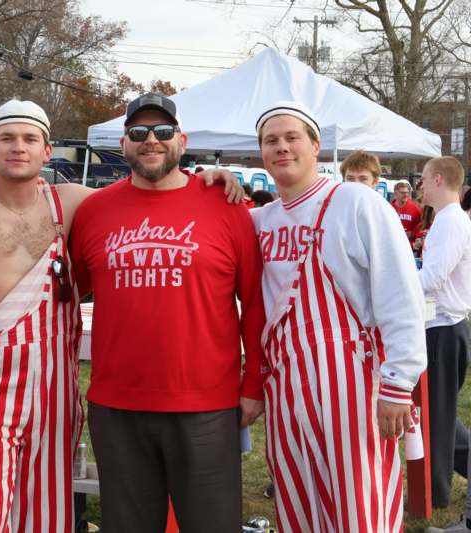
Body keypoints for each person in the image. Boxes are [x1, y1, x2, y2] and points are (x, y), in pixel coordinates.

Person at [0, 97, 244, 532]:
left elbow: (151, 191)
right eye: (7, 138)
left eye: (31, 139)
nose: (19, 147)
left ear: (47, 151)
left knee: (50, 513)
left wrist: (204, 179)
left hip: (54, 386)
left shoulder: (74, 201)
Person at [69, 93, 266, 532]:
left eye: (162, 131)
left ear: (182, 140)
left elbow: (254, 301)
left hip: (205, 404)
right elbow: (75, 289)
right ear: (123, 144)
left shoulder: (228, 206)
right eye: (138, 133)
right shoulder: (93, 211)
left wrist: (253, 382)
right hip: (117, 405)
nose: (151, 141)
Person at [252, 101, 427, 531]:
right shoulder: (258, 220)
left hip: (352, 385)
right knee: (298, 504)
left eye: (292, 137)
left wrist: (399, 384)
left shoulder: (354, 201)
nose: (282, 147)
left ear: (315, 145)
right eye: (271, 141)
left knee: (359, 507)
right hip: (286, 386)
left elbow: (400, 293)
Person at [417, 156, 471, 517]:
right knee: (439, 413)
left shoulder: (451, 222)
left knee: (436, 416)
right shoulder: (449, 220)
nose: (420, 186)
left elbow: (431, 281)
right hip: (442, 326)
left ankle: (435, 494)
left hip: (445, 328)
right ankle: (436, 488)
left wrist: (397, 289)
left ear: (438, 180)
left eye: (422, 179)